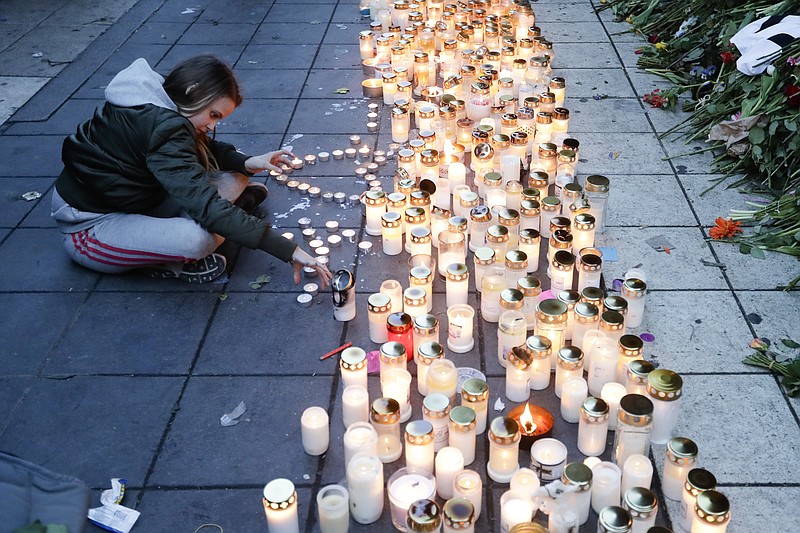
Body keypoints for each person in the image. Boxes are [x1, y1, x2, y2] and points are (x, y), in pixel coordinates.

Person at [51, 54, 331, 286]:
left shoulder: (158, 102)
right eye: (213, 115)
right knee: (198, 240)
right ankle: (176, 259)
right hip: (90, 227)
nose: (211, 126)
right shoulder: (163, 125)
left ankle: (230, 218)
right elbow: (203, 198)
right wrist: (288, 250)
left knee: (240, 175)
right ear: (192, 90)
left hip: (143, 199)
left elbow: (196, 150)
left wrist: (247, 162)